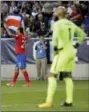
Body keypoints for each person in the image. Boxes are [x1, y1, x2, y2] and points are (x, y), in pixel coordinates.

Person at [38, 6, 86, 108]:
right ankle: (69, 101)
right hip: (71, 51)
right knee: (67, 76)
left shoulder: (57, 24)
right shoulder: (71, 23)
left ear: (58, 13)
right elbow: (82, 34)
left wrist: (55, 49)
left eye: (55, 11)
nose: (54, 12)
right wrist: (76, 44)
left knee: (51, 75)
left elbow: (55, 37)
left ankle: (49, 101)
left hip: (62, 52)